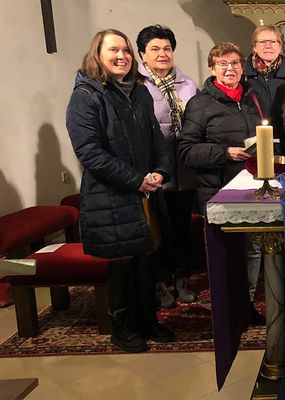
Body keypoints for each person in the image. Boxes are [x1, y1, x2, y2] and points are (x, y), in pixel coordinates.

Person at [66, 29, 175, 352]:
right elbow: (89, 152)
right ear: (97, 54)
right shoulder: (86, 95)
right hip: (112, 195)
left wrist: (160, 171)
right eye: (113, 50)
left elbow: (156, 138)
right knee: (121, 265)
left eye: (125, 50)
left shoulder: (139, 92)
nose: (121, 56)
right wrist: (135, 180)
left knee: (146, 260)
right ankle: (121, 327)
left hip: (145, 192)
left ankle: (147, 320)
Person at [178, 42, 266, 325]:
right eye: (223, 64)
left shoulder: (253, 98)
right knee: (224, 254)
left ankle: (246, 304)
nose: (230, 69)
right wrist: (225, 152)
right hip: (218, 190)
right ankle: (226, 309)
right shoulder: (200, 104)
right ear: (212, 68)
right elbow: (187, 150)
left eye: (235, 63)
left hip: (252, 186)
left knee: (252, 250)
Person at [135, 24, 199, 309]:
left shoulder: (188, 84)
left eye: (167, 48)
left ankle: (182, 278)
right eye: (155, 49)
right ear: (142, 54)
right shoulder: (136, 86)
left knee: (182, 228)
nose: (162, 54)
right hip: (154, 172)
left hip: (184, 170)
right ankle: (160, 282)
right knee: (158, 231)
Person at [243, 25, 285, 123]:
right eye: (262, 42)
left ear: (280, 47)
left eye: (273, 42)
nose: (268, 46)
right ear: (254, 47)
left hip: (284, 131)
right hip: (253, 130)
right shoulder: (242, 75)